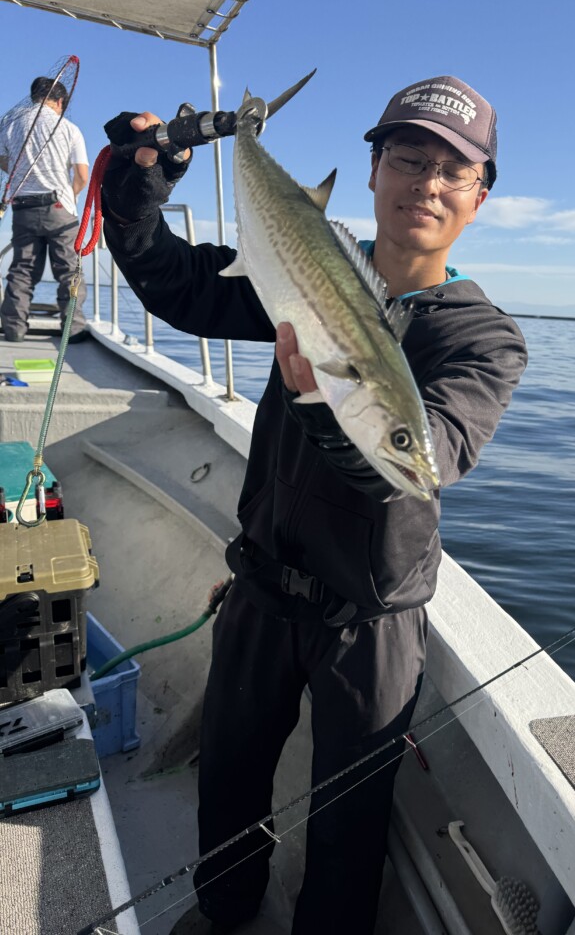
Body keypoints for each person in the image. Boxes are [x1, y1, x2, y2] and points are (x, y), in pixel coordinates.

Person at [101, 74, 528, 935]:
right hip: (262, 588)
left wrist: (324, 414)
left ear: (479, 197)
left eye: (454, 170)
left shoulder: (480, 336)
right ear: (374, 169)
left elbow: (430, 457)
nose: (428, 183)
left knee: (348, 825)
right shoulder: (308, 263)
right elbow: (177, 287)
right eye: (410, 156)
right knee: (226, 780)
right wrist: (136, 189)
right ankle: (225, 913)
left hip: (370, 621)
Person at [0, 76, 89, 342]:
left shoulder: (11, 126)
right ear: (60, 101)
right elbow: (82, 176)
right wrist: (68, 197)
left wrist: (23, 178)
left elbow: (4, 162)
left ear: (34, 97)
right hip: (58, 205)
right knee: (69, 270)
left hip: (22, 206)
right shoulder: (69, 129)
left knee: (22, 269)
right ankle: (72, 331)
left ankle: (14, 331)